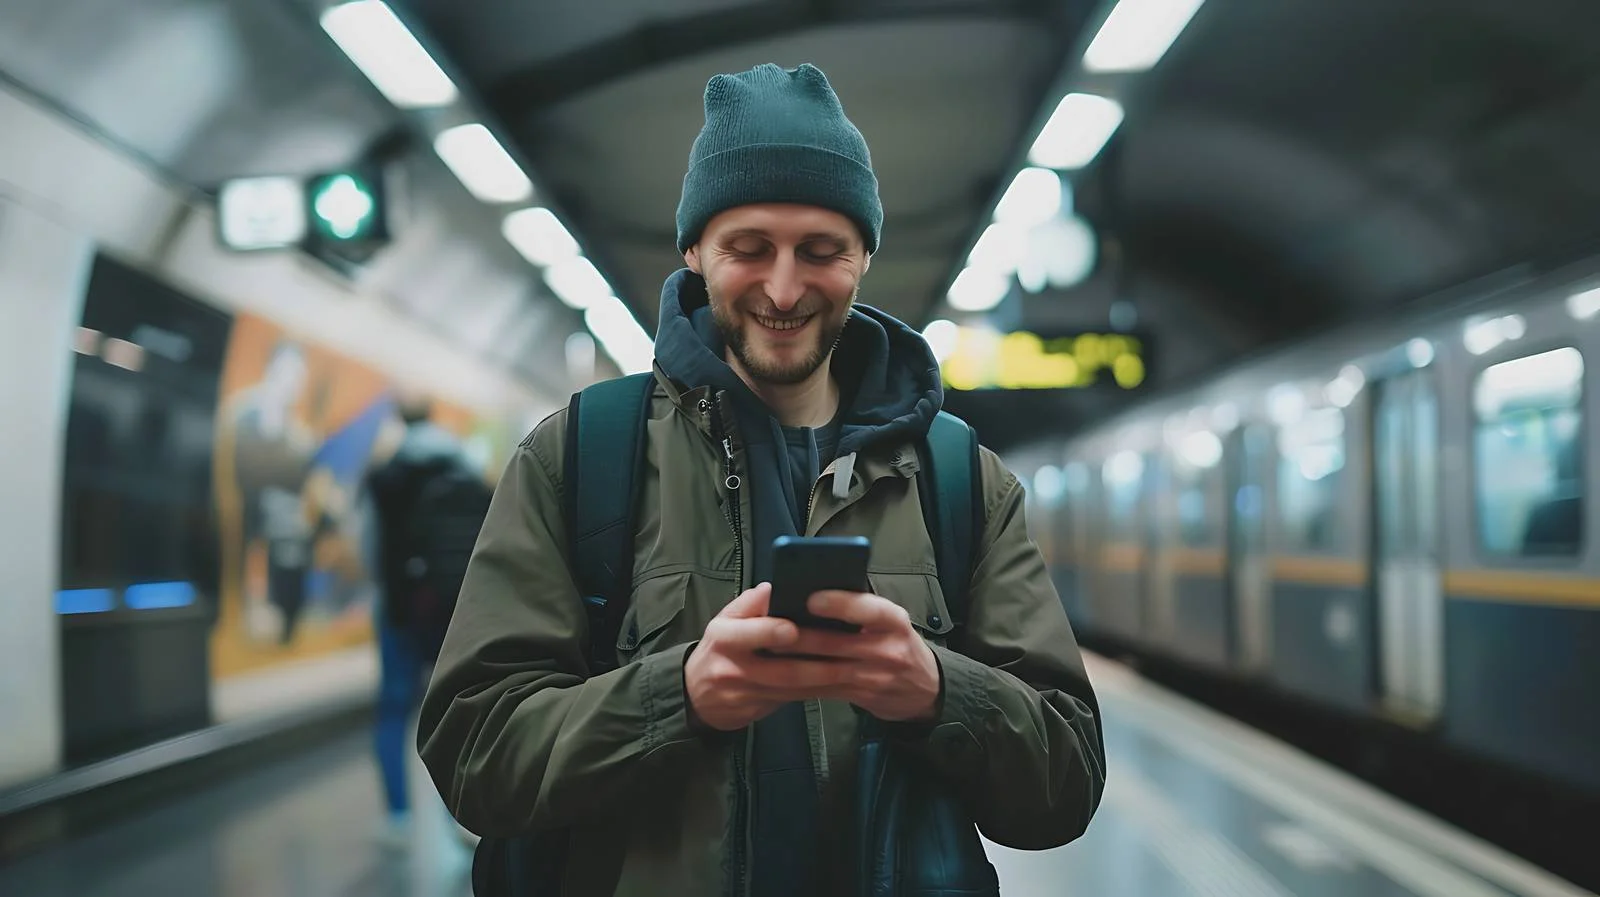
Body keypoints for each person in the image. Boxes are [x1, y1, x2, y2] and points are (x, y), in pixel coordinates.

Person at [417, 62, 1106, 895]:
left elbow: (1065, 785)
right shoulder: (580, 457)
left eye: (822, 251)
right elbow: (473, 754)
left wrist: (936, 689)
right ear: (696, 250)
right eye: (749, 249)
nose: (785, 288)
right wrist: (678, 695)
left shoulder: (959, 480)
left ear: (863, 257)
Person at [365, 391, 480, 845]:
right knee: (456, 708)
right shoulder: (466, 470)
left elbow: (369, 546)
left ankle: (397, 815)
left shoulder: (385, 477)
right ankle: (461, 811)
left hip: (400, 610)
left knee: (394, 707)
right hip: (455, 609)